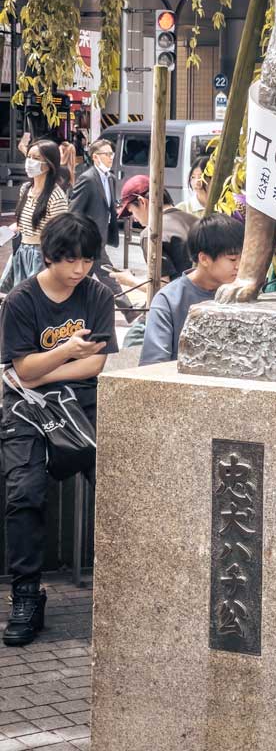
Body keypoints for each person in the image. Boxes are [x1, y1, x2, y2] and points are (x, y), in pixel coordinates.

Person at [0, 213, 118, 645]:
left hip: (81, 401)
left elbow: (96, 362)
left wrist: (43, 371)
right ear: (49, 256)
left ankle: (123, 589)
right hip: (26, 410)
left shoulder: (97, 294)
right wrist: (66, 350)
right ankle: (27, 595)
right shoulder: (21, 301)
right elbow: (21, 366)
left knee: (118, 484)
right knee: (23, 492)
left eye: (87, 260)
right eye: (70, 261)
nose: (79, 270)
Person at [140, 214, 244, 365]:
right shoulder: (168, 300)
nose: (239, 266)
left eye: (243, 258)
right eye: (233, 259)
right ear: (204, 259)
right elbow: (153, 364)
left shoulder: (242, 295)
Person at [68, 138, 136, 320]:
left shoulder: (110, 178)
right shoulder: (87, 179)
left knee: (84, 278)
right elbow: (74, 211)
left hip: (101, 236)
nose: (111, 158)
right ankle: (129, 311)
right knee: (108, 274)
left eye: (112, 154)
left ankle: (75, 312)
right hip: (89, 240)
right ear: (95, 157)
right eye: (107, 154)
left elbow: (108, 205)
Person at [0, 139, 68, 293]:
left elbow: (61, 233)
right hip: (21, 252)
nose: (30, 162)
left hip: (42, 256)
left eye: (36, 159)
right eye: (29, 157)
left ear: (49, 164)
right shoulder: (25, 189)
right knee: (13, 297)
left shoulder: (56, 196)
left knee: (32, 299)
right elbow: (22, 223)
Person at [118, 174, 196, 282]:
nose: (133, 218)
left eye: (131, 212)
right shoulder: (196, 220)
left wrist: (130, 280)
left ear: (142, 202)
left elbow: (160, 286)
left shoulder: (151, 233)